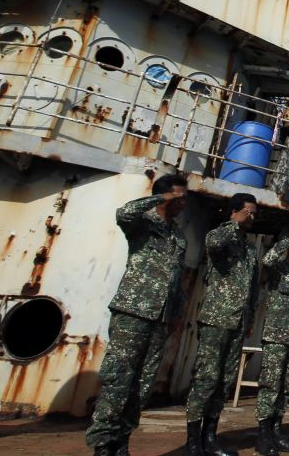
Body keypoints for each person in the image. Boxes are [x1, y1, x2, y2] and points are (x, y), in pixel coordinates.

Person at [86, 173, 189, 456]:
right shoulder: (143, 224)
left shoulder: (178, 236)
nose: (184, 203)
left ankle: (122, 442)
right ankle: (102, 444)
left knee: (142, 385)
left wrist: (176, 314)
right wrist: (161, 197)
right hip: (133, 311)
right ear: (167, 195)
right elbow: (124, 212)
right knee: (118, 379)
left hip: (160, 318)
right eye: (179, 197)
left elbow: (176, 280)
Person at [184, 193, 260, 456]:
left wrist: (249, 318)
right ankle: (193, 441)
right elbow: (213, 245)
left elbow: (252, 288)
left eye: (254, 213)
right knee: (206, 379)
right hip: (217, 318)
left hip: (238, 322)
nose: (252, 217)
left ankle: (210, 437)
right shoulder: (221, 235)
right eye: (248, 212)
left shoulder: (249, 248)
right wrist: (233, 225)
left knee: (224, 382)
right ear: (234, 211)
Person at [255, 227, 289, 456]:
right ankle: (263, 435)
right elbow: (266, 261)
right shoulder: (277, 265)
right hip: (277, 335)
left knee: (284, 387)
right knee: (271, 385)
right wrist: (285, 242)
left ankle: (277, 430)